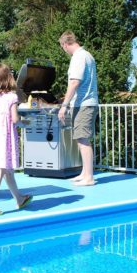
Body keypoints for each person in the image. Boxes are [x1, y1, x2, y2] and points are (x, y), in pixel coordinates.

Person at [0, 63, 32, 217]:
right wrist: (25, 123)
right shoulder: (12, 97)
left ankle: (19, 199)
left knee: (7, 170)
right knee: (0, 171)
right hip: (4, 139)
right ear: (8, 78)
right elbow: (15, 119)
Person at [58, 31, 99, 186]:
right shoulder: (87, 55)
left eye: (63, 48)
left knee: (83, 140)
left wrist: (64, 105)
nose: (65, 51)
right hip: (84, 103)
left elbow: (74, 82)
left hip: (84, 103)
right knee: (80, 138)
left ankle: (89, 177)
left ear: (65, 44)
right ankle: (84, 173)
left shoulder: (79, 57)